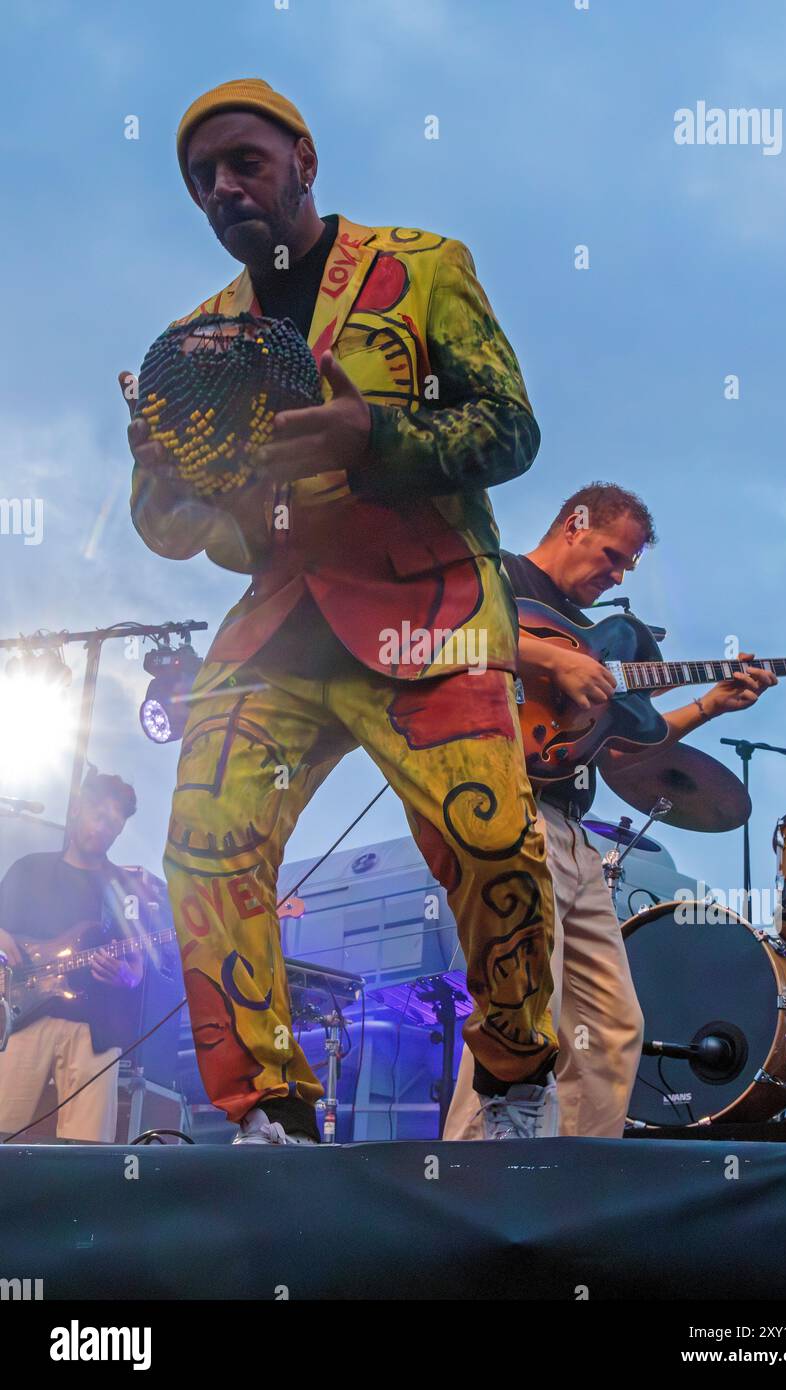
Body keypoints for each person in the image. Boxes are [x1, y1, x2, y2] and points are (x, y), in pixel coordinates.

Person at [121, 78, 559, 1145]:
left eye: (243, 163)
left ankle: (512, 1075)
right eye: (200, 179)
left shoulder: (423, 268)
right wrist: (161, 481)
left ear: (303, 161)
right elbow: (183, 535)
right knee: (206, 847)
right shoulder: (197, 338)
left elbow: (510, 430)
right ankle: (268, 1111)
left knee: (491, 840)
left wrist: (375, 437)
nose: (222, 188)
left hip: (428, 603)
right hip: (278, 626)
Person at [444, 481, 778, 1140]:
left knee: (614, 1025)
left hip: (574, 833)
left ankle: (577, 1188)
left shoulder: (602, 637)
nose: (619, 574)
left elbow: (623, 753)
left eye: (628, 566)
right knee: (525, 1012)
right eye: (613, 554)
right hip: (509, 811)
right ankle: (471, 1182)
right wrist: (552, 660)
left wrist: (711, 704)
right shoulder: (501, 575)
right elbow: (444, 636)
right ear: (574, 523)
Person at [0, 772, 143, 1142]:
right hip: (23, 1016)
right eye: (99, 814)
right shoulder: (29, 868)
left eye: (115, 822)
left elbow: (138, 965)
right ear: (77, 809)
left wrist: (127, 977)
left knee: (88, 1151)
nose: (106, 827)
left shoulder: (125, 888)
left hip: (95, 1027)